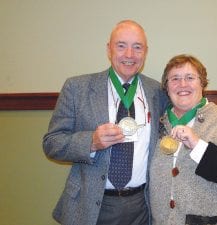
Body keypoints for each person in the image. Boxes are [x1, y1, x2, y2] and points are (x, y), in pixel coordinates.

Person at [43, 20, 168, 225]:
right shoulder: (77, 88)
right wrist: (91, 142)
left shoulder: (158, 92)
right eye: (121, 45)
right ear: (108, 49)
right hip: (91, 204)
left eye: (137, 47)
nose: (129, 54)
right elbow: (51, 143)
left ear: (145, 52)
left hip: (142, 205)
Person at [149, 54, 217, 225]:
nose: (183, 84)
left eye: (190, 78)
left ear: (202, 83)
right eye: (175, 79)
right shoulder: (157, 123)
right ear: (166, 87)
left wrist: (199, 147)